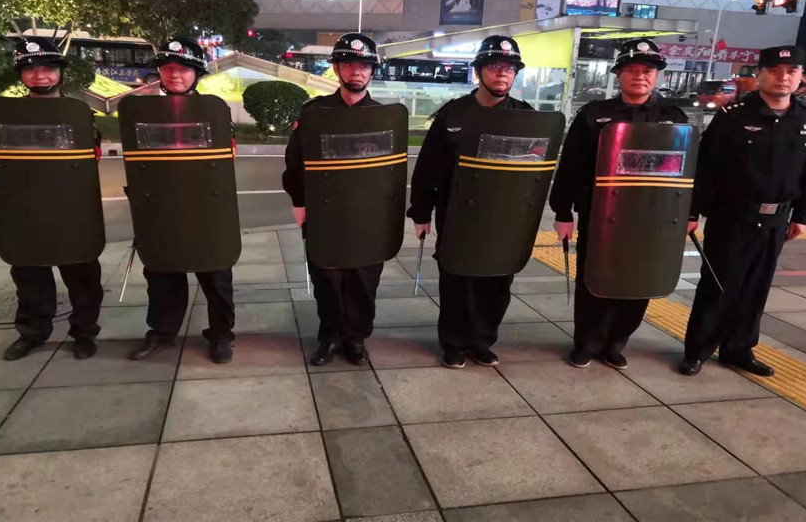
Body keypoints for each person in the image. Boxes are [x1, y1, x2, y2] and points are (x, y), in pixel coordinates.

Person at [679, 46, 806, 377]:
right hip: (732, 217)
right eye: (775, 70)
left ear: (800, 76)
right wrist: (692, 213)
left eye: (791, 71)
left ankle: (739, 348)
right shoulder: (733, 116)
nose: (783, 77)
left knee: (756, 287)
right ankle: (697, 350)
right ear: (760, 75)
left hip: (776, 220)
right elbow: (706, 169)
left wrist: (802, 215)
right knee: (717, 285)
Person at [550, 38, 688, 370]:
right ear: (618, 74)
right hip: (601, 214)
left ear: (657, 76)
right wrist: (563, 211)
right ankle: (586, 343)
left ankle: (616, 342)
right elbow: (571, 166)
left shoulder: (673, 117)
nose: (640, 76)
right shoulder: (595, 115)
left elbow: (688, 169)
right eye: (632, 70)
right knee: (594, 278)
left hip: (651, 216)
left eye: (647, 71)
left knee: (639, 279)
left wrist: (690, 213)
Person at [408, 35, 534, 369]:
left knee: (497, 283)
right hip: (457, 216)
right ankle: (452, 342)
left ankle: (481, 341)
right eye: (494, 66)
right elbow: (428, 167)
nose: (502, 73)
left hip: (505, 219)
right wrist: (420, 212)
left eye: (509, 68)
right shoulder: (453, 113)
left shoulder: (526, 116)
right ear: (478, 72)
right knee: (457, 281)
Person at [0, 37, 104, 361]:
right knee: (29, 277)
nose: (40, 75)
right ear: (21, 75)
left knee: (83, 277)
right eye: (31, 69)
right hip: (22, 211)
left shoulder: (80, 116)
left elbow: (88, 166)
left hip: (70, 210)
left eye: (48, 68)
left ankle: (84, 333)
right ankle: (32, 333)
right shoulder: (7, 117)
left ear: (60, 72)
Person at [128, 37, 237, 364]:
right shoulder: (144, 114)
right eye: (168, 68)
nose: (176, 75)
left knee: (216, 277)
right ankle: (162, 332)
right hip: (162, 209)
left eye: (185, 69)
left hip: (206, 210)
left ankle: (221, 334)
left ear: (197, 74)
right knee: (162, 274)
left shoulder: (214, 114)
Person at [283, 33, 385, 366]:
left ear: (372, 71)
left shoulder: (384, 118)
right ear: (338, 69)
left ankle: (355, 339)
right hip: (325, 214)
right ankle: (328, 336)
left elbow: (391, 174)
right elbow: (295, 162)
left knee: (363, 281)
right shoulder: (314, 113)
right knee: (327, 280)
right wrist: (299, 203)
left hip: (367, 217)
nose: (357, 71)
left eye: (364, 65)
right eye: (349, 64)